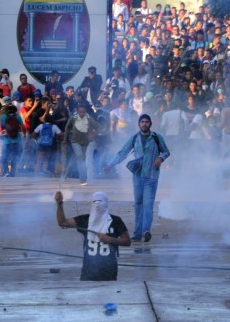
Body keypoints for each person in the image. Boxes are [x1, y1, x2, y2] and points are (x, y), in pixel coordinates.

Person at [104, 114, 170, 242]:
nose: (144, 124)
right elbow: (122, 153)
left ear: (150, 124)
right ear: (139, 124)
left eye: (146, 122)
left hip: (151, 176)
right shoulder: (134, 138)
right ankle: (137, 233)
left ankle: (146, 231)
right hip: (137, 176)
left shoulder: (156, 137)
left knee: (148, 205)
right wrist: (110, 164)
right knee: (138, 204)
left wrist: (160, 158)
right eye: (142, 122)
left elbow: (166, 151)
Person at [54, 191, 131, 281]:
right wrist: (59, 204)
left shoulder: (116, 220)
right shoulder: (84, 220)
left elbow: (127, 241)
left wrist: (110, 239)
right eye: (94, 201)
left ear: (106, 203)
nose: (97, 204)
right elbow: (62, 223)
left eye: (100, 201)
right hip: (88, 270)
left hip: (109, 270)